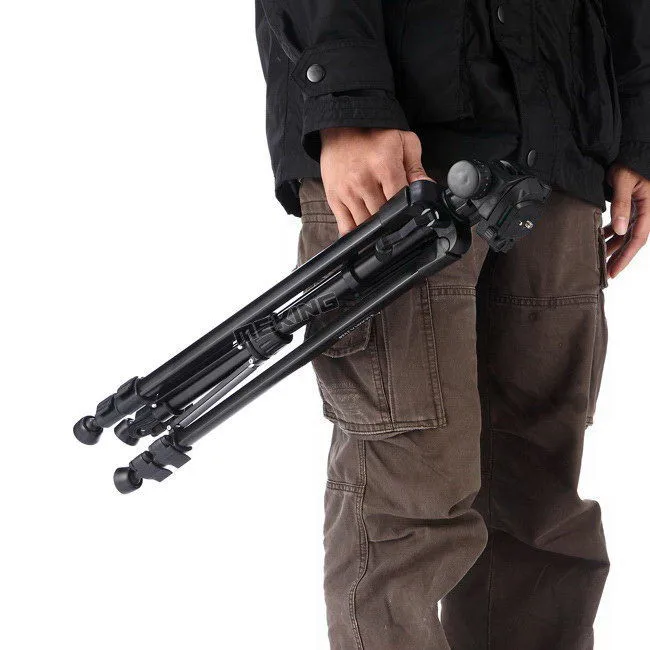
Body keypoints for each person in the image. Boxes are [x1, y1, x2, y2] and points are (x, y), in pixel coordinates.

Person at [255, 2, 650, 649]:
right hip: (399, 155)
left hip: (561, 141)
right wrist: (347, 101)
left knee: (541, 495)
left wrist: (638, 128)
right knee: (408, 497)